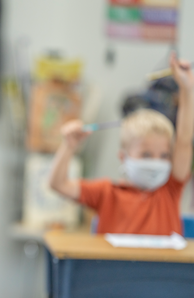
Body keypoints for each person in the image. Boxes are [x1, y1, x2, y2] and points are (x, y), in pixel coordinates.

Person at [49, 53, 194, 235]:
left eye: (164, 156)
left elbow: (184, 139)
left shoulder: (170, 189)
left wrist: (187, 90)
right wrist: (68, 146)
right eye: (146, 154)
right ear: (123, 156)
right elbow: (58, 184)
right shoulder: (107, 192)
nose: (156, 161)